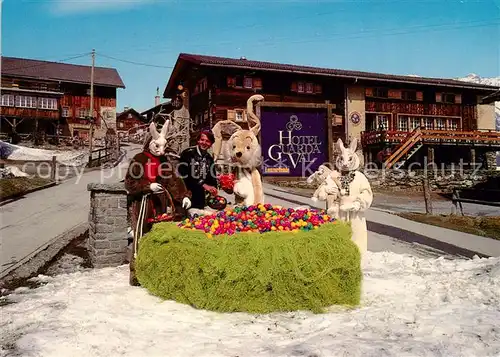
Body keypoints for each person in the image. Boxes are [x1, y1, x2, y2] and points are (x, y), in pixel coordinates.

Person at [178, 130, 219, 209]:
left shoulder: (209, 158)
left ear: (211, 144)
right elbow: (184, 175)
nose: (204, 143)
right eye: (202, 140)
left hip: (200, 196)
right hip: (185, 193)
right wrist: (203, 184)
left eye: (207, 141)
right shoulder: (187, 154)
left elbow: (212, 177)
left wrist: (214, 188)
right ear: (198, 140)